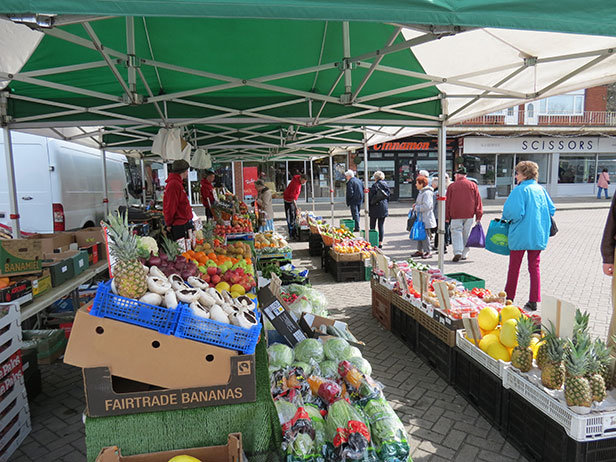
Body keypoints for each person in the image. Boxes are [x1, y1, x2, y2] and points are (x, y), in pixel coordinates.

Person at [502, 161, 555, 312]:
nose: (516, 176)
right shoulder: (541, 190)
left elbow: (512, 213)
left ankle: (509, 297)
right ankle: (533, 300)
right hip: (538, 234)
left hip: (520, 234)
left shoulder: (519, 190)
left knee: (514, 268)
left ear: (524, 174)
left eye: (517, 173)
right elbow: (552, 209)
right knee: (534, 267)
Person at [446, 166, 483, 262]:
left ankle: (458, 251)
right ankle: (464, 254)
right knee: (466, 233)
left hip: (456, 214)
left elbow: (448, 203)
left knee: (456, 232)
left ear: (457, 175)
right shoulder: (473, 185)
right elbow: (478, 201)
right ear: (465, 175)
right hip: (469, 214)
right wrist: (478, 215)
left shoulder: (451, 186)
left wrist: (446, 217)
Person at [163, 159, 194, 241]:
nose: (188, 173)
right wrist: (168, 224)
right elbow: (171, 206)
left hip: (183, 222)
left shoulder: (177, 183)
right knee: (182, 252)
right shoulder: (174, 184)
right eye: (187, 171)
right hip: (179, 225)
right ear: (184, 171)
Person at [411, 175, 436, 259]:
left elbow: (427, 206)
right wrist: (416, 205)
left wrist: (416, 208)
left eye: (417, 183)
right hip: (421, 218)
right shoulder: (421, 192)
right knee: (420, 234)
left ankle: (428, 251)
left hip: (426, 218)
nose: (416, 185)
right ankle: (420, 250)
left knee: (425, 235)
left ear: (421, 184)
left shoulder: (427, 193)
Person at [369, 171, 390, 249]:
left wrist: (368, 206)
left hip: (374, 207)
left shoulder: (375, 185)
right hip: (383, 207)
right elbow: (388, 197)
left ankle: (372, 241)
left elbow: (371, 197)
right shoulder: (386, 185)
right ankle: (380, 242)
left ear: (375, 177)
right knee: (381, 226)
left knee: (372, 225)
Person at [283, 173, 307, 237]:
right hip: (289, 200)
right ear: (301, 178)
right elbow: (293, 198)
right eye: (303, 181)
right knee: (291, 217)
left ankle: (292, 231)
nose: (303, 183)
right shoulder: (296, 185)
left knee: (292, 216)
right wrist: (296, 208)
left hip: (288, 199)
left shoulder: (296, 179)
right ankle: (292, 233)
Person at [432, 174, 451, 252]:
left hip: (438, 215)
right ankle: (444, 243)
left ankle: (441, 247)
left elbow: (433, 205)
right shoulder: (449, 192)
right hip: (446, 214)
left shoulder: (436, 193)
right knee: (445, 229)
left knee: (439, 231)